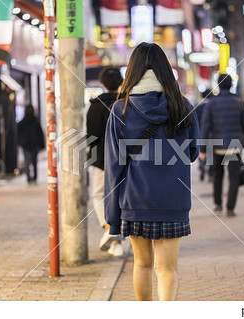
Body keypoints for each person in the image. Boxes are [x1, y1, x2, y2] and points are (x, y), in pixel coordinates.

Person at [104, 42, 200, 301]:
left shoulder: (120, 110)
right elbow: (192, 153)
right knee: (167, 269)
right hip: (173, 200)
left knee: (142, 264)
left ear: (132, 71)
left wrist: (112, 216)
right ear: (165, 70)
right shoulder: (183, 106)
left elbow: (114, 166)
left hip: (136, 200)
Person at [199, 74, 244, 216]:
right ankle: (230, 208)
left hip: (217, 146)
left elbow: (206, 127)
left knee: (217, 175)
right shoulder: (239, 102)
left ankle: (218, 204)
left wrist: (203, 148)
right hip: (235, 147)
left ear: (218, 85)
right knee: (234, 177)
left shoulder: (211, 103)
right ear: (231, 85)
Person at [86, 67, 124, 257]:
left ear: (102, 83)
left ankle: (110, 227)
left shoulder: (96, 105)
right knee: (119, 197)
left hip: (102, 160)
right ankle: (116, 243)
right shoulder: (126, 104)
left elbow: (91, 137)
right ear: (121, 82)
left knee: (97, 195)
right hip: (124, 159)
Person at [17, 105, 45, 184]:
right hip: (34, 144)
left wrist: (20, 143)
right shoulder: (36, 121)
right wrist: (42, 145)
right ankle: (35, 177)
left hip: (25, 145)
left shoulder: (22, 122)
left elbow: (18, 134)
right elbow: (40, 134)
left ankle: (29, 178)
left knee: (27, 161)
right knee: (34, 162)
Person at [195, 90, 213, 182]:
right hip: (213, 134)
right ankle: (211, 174)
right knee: (211, 154)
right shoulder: (214, 107)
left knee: (202, 151)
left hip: (200, 133)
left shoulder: (198, 107)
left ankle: (202, 165)